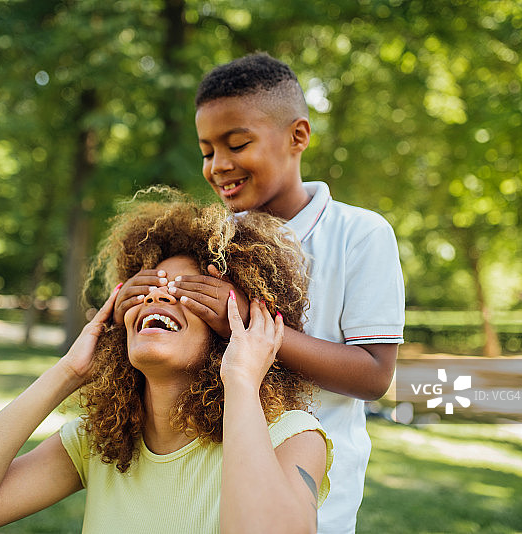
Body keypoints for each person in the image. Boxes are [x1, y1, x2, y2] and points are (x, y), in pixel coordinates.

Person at [0, 194, 333, 534]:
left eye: (190, 291)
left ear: (233, 328)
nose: (157, 297)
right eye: (147, 289)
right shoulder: (99, 443)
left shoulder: (292, 437)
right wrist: (67, 373)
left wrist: (241, 377)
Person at [113, 53, 405, 533]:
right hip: (209, 490)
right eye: (207, 151)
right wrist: (133, 303)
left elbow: (374, 375)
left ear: (297, 137)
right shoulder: (209, 239)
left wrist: (249, 324)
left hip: (312, 504)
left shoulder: (360, 234)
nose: (218, 165)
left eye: (237, 144)